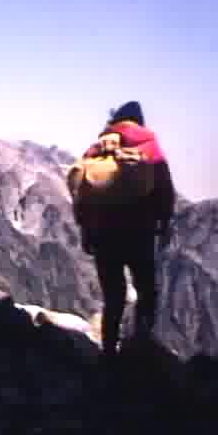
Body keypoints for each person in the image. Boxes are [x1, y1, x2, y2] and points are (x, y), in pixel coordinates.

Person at [74, 101, 175, 358]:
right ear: (139, 121)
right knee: (146, 289)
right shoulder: (149, 146)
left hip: (102, 233)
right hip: (139, 231)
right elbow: (164, 187)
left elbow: (81, 193)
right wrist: (163, 223)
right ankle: (140, 344)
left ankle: (108, 351)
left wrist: (85, 230)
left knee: (113, 294)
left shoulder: (98, 148)